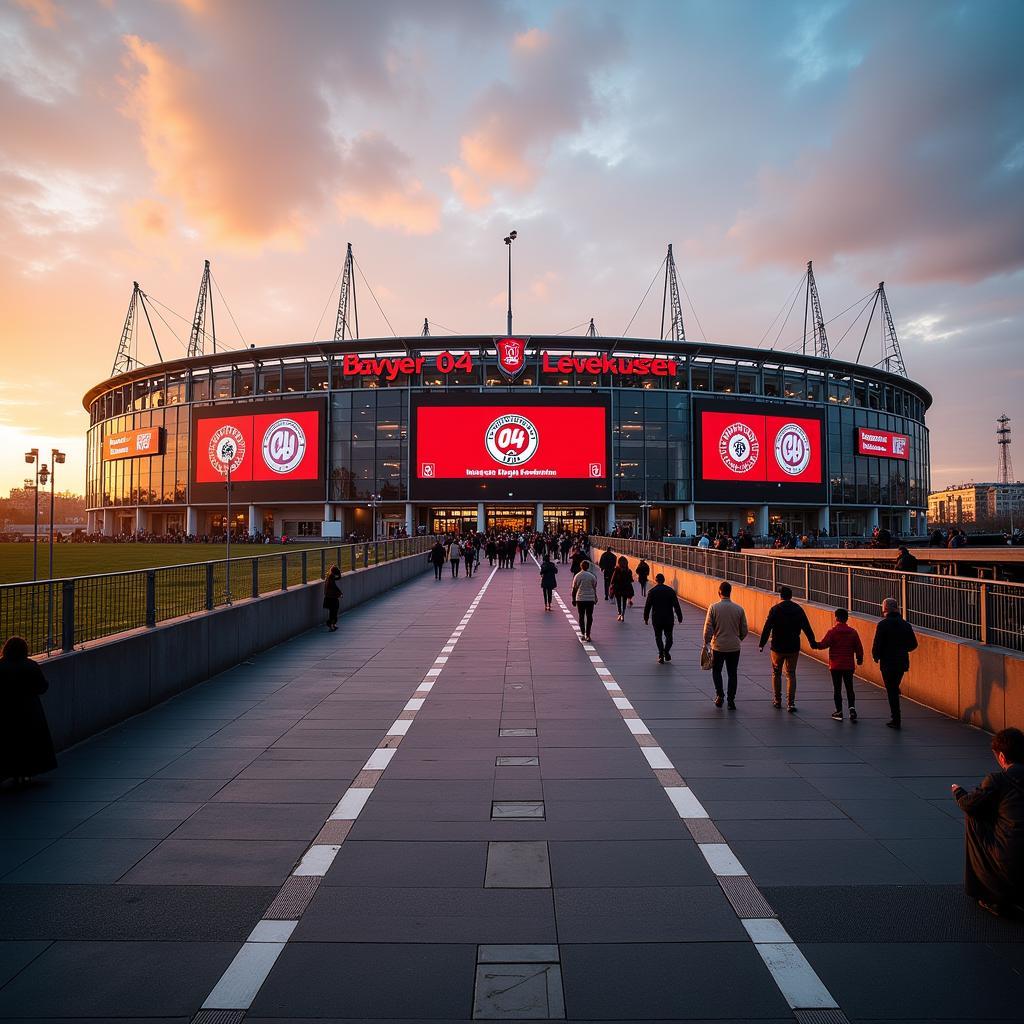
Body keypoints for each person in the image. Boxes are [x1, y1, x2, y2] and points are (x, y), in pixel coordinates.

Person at [951, 727, 1024, 917]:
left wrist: (958, 792)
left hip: (1011, 860)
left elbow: (969, 805)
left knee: (974, 818)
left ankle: (990, 892)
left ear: (1001, 756)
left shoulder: (999, 780)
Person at [0, 636, 57, 786]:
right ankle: (26, 773)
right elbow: (42, 687)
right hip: (29, 711)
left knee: (9, 742)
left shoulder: (2, 666)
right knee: (29, 742)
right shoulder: (31, 665)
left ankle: (12, 772)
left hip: (6, 711)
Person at [758, 585, 816, 712]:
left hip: (777, 647)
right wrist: (812, 642)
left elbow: (767, 627)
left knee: (776, 673)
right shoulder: (798, 609)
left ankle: (777, 700)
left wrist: (762, 643)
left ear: (781, 596)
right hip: (793, 646)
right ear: (791, 596)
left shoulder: (775, 609)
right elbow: (806, 627)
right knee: (791, 674)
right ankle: (791, 703)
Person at [871, 597, 918, 729]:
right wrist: (902, 650)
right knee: (894, 685)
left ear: (884, 609)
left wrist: (876, 655)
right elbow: (913, 644)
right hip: (901, 661)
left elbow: (877, 643)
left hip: (887, 662)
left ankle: (896, 719)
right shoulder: (905, 625)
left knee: (891, 689)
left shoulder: (882, 625)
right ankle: (895, 710)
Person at [703, 581, 748, 709]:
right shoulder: (739, 609)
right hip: (734, 646)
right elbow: (744, 629)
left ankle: (719, 695)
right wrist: (738, 639)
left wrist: (706, 641)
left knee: (716, 671)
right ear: (730, 592)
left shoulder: (713, 607)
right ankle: (731, 700)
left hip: (718, 646)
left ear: (719, 592)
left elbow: (708, 628)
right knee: (732, 673)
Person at [815, 608, 863, 721]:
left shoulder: (832, 632)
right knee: (849, 687)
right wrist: (859, 659)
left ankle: (839, 711)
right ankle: (852, 709)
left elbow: (823, 644)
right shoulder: (853, 632)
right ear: (846, 618)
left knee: (837, 688)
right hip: (848, 665)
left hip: (835, 665)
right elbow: (858, 648)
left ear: (836, 618)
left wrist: (814, 644)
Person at [643, 573, 683, 664]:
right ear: (664, 580)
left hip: (656, 618)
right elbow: (676, 605)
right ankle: (666, 651)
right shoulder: (670, 591)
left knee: (658, 637)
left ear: (656, 580)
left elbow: (647, 606)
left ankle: (661, 654)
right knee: (669, 637)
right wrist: (680, 617)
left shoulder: (652, 591)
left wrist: (646, 618)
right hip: (668, 618)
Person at [571, 558, 599, 642]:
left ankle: (583, 633)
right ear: (588, 567)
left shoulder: (577, 576)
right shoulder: (592, 576)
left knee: (581, 616)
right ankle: (588, 634)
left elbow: (574, 588)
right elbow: (594, 587)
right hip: (590, 599)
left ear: (581, 567)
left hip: (580, 598)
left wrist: (573, 599)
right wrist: (595, 597)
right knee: (589, 616)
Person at [609, 556, 635, 621]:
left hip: (618, 589)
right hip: (626, 589)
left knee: (618, 602)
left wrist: (612, 585)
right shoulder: (629, 571)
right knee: (624, 602)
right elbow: (631, 580)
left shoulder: (617, 570)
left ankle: (619, 614)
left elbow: (613, 580)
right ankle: (623, 614)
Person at [323, 564, 342, 632]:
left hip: (329, 597)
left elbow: (338, 578)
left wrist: (339, 575)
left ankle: (332, 624)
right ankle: (331, 625)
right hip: (331, 597)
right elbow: (334, 587)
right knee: (333, 611)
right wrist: (340, 593)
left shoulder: (330, 576)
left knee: (333, 611)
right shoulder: (331, 578)